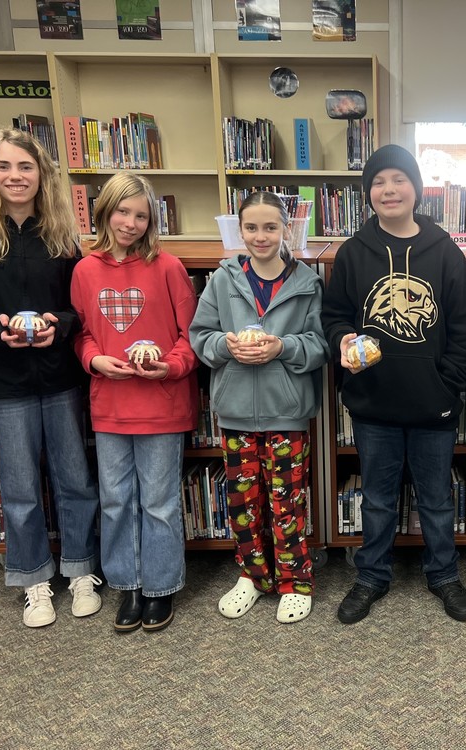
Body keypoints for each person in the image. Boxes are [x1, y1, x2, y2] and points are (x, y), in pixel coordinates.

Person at [0, 128, 100, 628]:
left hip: (59, 378)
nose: (16, 176)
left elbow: (79, 308)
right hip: (2, 380)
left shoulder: (59, 235)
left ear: (41, 174)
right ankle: (33, 578)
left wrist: (60, 325)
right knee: (20, 487)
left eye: (26, 167)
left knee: (74, 480)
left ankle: (80, 571)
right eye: (5, 167)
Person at [320, 144, 466, 624]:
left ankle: (444, 574)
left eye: (398, 179)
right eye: (378, 182)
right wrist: (341, 340)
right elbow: (333, 317)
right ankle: (371, 574)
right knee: (377, 497)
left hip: (433, 404)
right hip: (373, 404)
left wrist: (445, 384)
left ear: (416, 188)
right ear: (368, 193)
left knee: (436, 497)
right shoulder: (353, 253)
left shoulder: (445, 252)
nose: (388, 190)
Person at [189, 191, 328, 624]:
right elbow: (200, 337)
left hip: (286, 411)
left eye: (270, 227)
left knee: (287, 500)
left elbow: (320, 345)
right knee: (243, 500)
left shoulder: (307, 283)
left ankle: (294, 579)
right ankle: (252, 575)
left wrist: (283, 346)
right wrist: (225, 345)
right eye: (251, 227)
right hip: (234, 412)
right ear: (239, 229)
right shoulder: (222, 279)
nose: (261, 236)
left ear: (286, 229)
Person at [70, 173, 198, 633]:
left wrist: (171, 366)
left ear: (152, 221)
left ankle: (161, 588)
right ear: (105, 211)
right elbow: (81, 333)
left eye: (141, 215)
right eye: (122, 211)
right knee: (116, 499)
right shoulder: (85, 270)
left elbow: (191, 337)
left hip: (160, 404)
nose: (130, 222)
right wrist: (94, 359)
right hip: (110, 404)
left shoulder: (168, 267)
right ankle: (129, 583)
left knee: (160, 501)